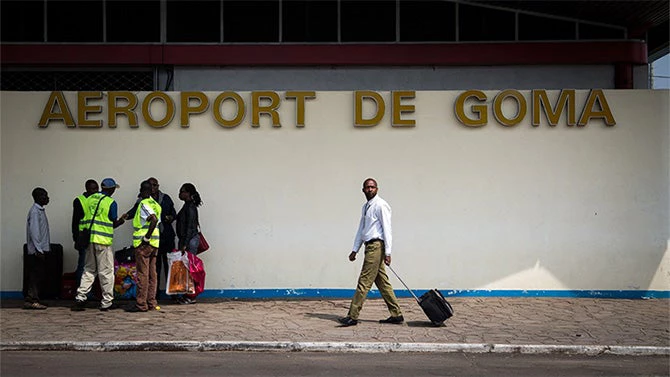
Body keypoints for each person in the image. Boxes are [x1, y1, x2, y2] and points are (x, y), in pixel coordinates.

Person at [339, 178, 404, 327]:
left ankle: (352, 315)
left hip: (376, 246)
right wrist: (355, 249)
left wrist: (388, 252)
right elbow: (362, 230)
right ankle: (396, 314)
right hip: (369, 246)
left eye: (372, 187)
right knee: (382, 282)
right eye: (367, 187)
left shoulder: (381, 205)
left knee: (364, 281)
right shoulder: (366, 207)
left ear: (377, 189)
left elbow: (388, 230)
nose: (370, 190)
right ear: (363, 190)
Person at [71, 178, 126, 312]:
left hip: (89, 240)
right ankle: (107, 301)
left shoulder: (89, 199)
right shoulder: (111, 203)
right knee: (106, 271)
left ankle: (81, 296)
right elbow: (112, 222)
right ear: (111, 189)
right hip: (102, 241)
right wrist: (121, 221)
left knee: (89, 269)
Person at [125, 180, 161, 312]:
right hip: (155, 243)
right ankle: (152, 302)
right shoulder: (155, 204)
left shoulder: (143, 204)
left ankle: (141, 304)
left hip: (144, 244)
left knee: (142, 274)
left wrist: (146, 238)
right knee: (152, 274)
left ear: (141, 190)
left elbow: (154, 220)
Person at [148, 177, 176, 300]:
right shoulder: (144, 200)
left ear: (158, 186)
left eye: (155, 185)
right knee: (155, 267)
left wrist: (170, 217)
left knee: (170, 265)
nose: (153, 188)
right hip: (154, 238)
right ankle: (155, 293)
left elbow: (173, 214)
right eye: (151, 185)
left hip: (167, 237)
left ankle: (174, 293)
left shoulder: (165, 198)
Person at [174, 183, 202, 304]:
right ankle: (187, 294)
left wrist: (184, 244)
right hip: (188, 240)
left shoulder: (190, 207)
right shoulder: (187, 206)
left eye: (182, 191)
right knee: (187, 268)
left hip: (189, 241)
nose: (180, 194)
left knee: (189, 269)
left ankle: (190, 296)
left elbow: (190, 227)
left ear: (188, 193)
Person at [24, 187, 51, 310]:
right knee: (35, 275)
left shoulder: (40, 210)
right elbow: (35, 232)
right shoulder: (35, 211)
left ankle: (34, 298)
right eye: (44, 196)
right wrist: (39, 250)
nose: (47, 198)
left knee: (39, 275)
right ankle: (32, 300)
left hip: (41, 249)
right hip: (36, 251)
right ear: (38, 197)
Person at [71, 179, 99, 284]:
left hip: (96, 237)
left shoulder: (98, 200)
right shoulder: (79, 200)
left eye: (97, 188)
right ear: (87, 189)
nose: (96, 191)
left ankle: (90, 290)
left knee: (94, 266)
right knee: (83, 265)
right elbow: (75, 221)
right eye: (93, 189)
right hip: (84, 237)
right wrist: (76, 238)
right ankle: (80, 290)